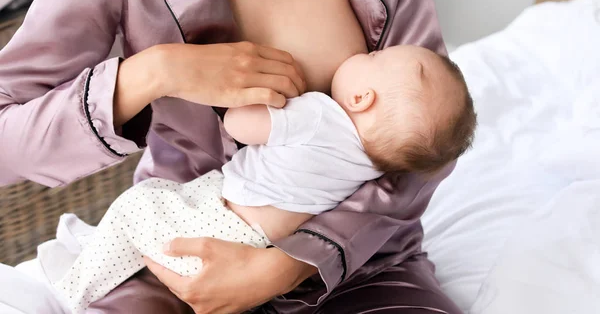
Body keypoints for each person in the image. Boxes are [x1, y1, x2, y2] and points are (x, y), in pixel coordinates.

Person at [0, 0, 464, 313]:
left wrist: (290, 264)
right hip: (179, 253)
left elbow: (432, 136)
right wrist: (155, 72)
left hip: (358, 265)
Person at [54, 45, 476, 313]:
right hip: (259, 250)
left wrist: (260, 101)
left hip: (217, 226)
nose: (368, 52)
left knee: (137, 205)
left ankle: (76, 289)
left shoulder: (319, 114)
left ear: (362, 98)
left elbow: (241, 127)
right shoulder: (374, 165)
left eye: (374, 58)